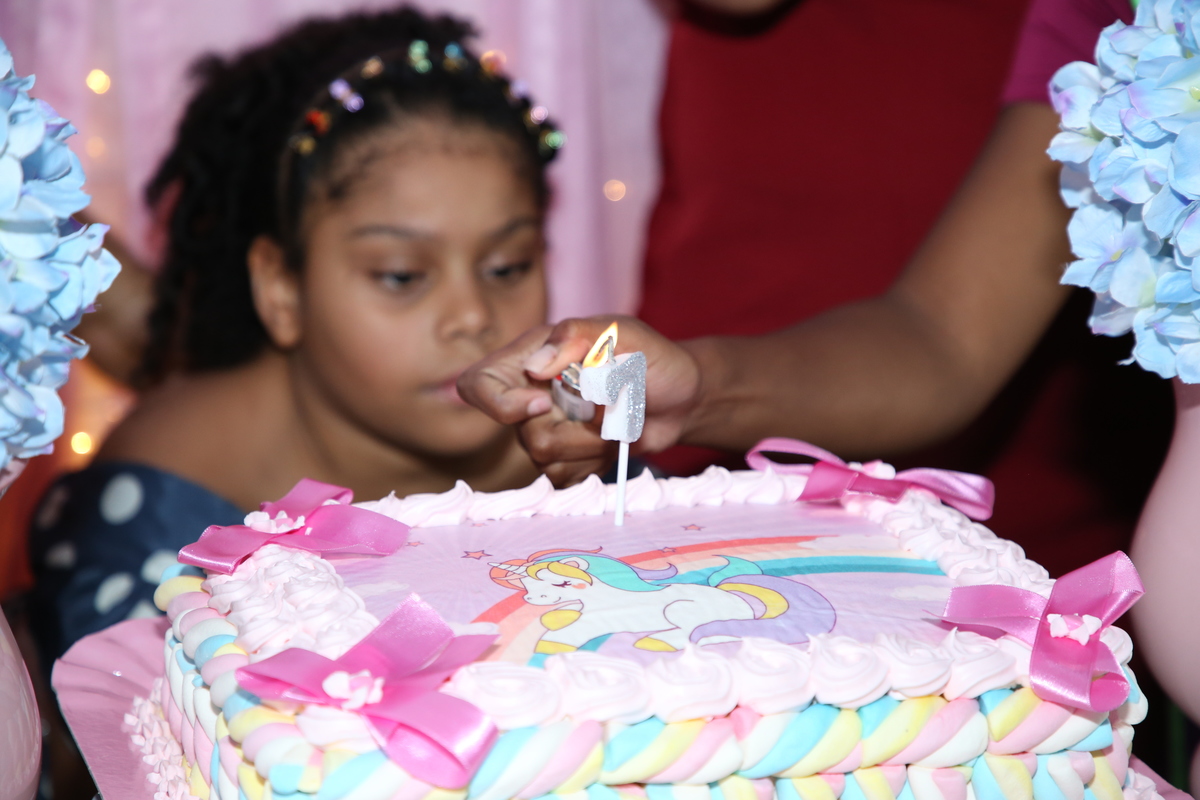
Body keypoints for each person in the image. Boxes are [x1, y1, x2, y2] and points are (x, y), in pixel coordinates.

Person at [459, 0, 1172, 579]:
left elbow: (947, 340)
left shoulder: (1123, 39)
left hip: (1023, 537)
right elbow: (936, 339)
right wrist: (691, 395)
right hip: (718, 493)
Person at [28, 6, 560, 664]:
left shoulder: (579, 451)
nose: (472, 316)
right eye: (401, 276)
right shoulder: (167, 506)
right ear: (282, 288)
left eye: (507, 266)